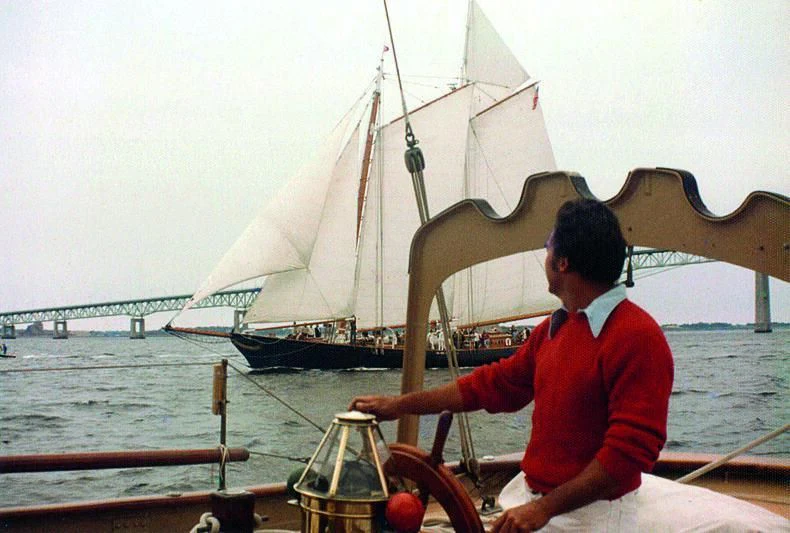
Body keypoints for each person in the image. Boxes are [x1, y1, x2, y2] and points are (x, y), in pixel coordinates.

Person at [349, 199, 674, 532]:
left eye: (548, 247)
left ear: (562, 263)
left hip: (595, 517)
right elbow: (489, 386)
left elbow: (628, 456)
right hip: (539, 502)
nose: (544, 257)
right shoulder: (554, 329)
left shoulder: (638, 337)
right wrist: (397, 406)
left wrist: (543, 509)